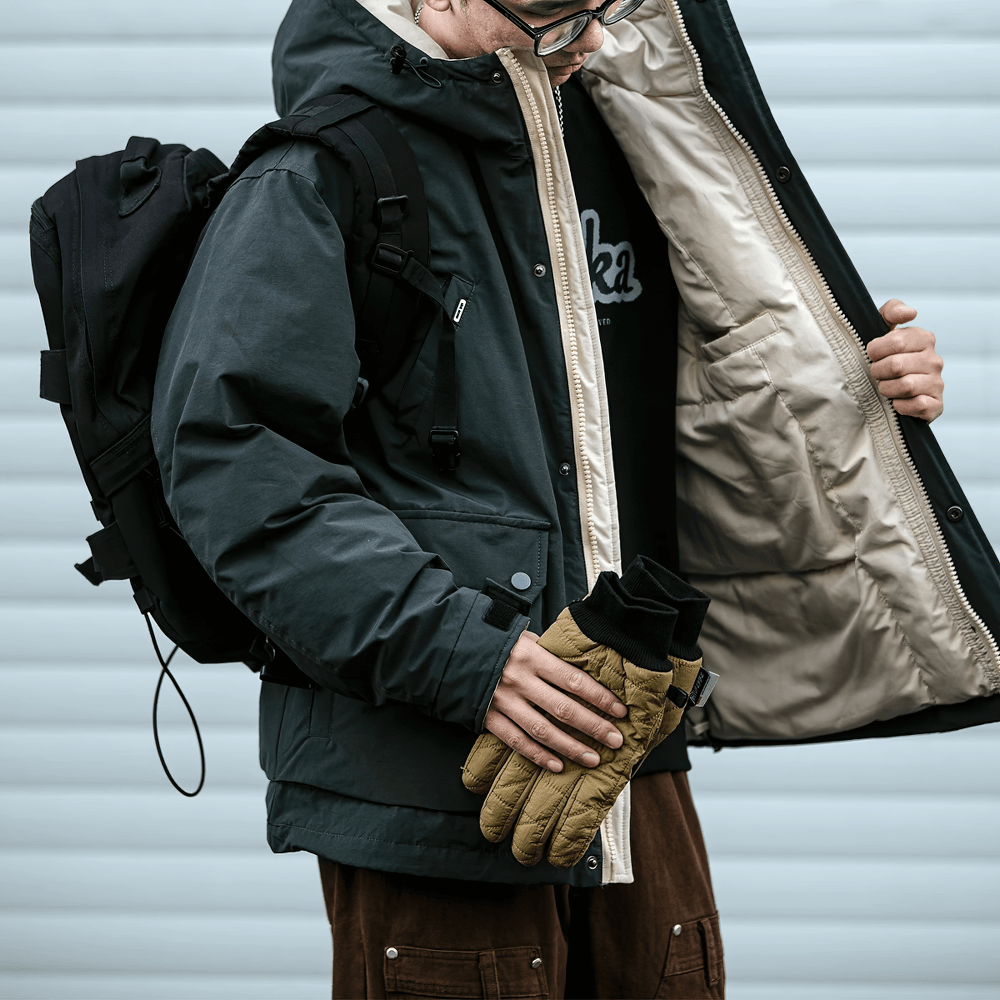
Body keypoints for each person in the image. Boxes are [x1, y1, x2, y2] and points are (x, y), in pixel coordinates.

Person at [152, 0, 997, 996]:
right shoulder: (320, 172)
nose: (591, 41)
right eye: (555, 17)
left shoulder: (619, 137)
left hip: (630, 731)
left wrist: (861, 385)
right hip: (425, 768)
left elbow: (682, 398)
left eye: (602, 8)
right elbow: (241, 469)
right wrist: (471, 660)